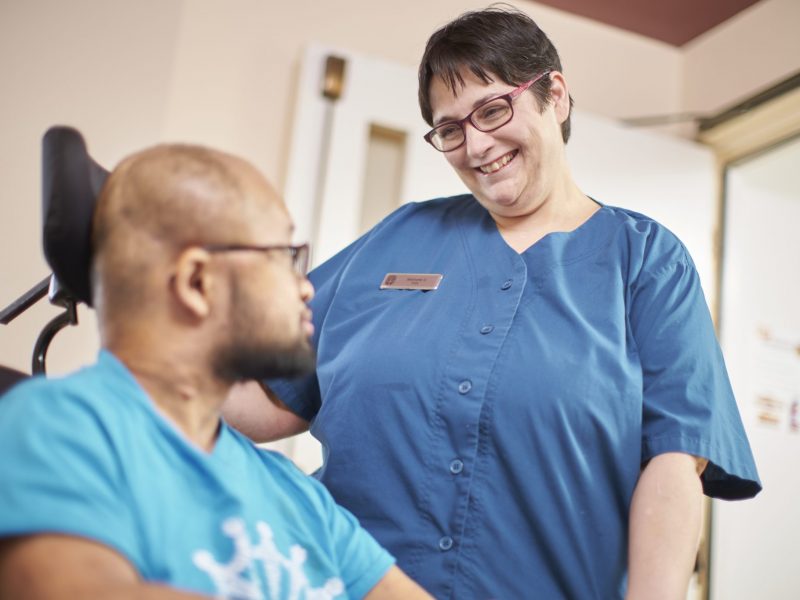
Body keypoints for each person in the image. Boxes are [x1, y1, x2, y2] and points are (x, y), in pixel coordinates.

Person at [223, 6, 762, 599]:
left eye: (492, 109)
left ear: (554, 94)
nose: (475, 146)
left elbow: (676, 463)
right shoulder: (399, 237)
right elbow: (273, 400)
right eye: (450, 129)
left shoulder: (645, 260)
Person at [0, 144, 432, 599]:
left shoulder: (296, 496)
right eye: (284, 257)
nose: (306, 288)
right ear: (196, 282)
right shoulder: (54, 428)